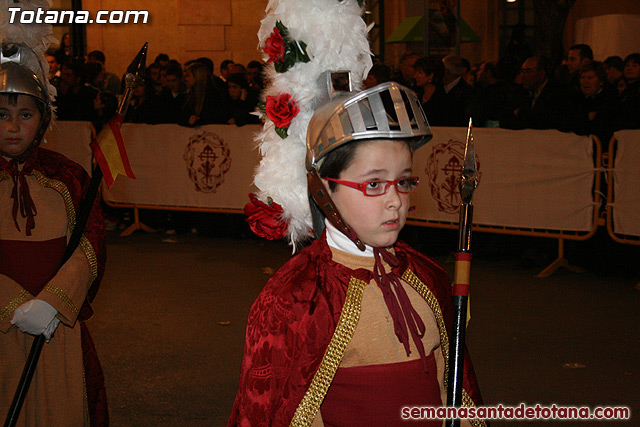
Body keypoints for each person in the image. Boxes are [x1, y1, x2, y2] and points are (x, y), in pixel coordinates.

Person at [229, 82, 485, 426]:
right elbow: (279, 414)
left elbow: (453, 388)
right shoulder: (298, 298)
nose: (395, 200)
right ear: (324, 189)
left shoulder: (426, 275)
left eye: (404, 181)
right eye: (374, 184)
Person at [0, 44, 107, 426]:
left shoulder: (68, 176)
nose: (13, 126)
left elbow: (89, 244)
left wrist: (53, 301)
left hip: (56, 327)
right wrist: (11, 303)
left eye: (25, 114)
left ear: (43, 119)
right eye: (2, 115)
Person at [179, 61, 226, 126]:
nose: (185, 79)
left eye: (188, 76)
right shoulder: (190, 95)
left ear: (197, 77)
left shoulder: (212, 96)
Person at [413, 56, 447, 126]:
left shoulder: (441, 99)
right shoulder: (418, 95)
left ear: (430, 76)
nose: (415, 76)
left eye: (419, 72)